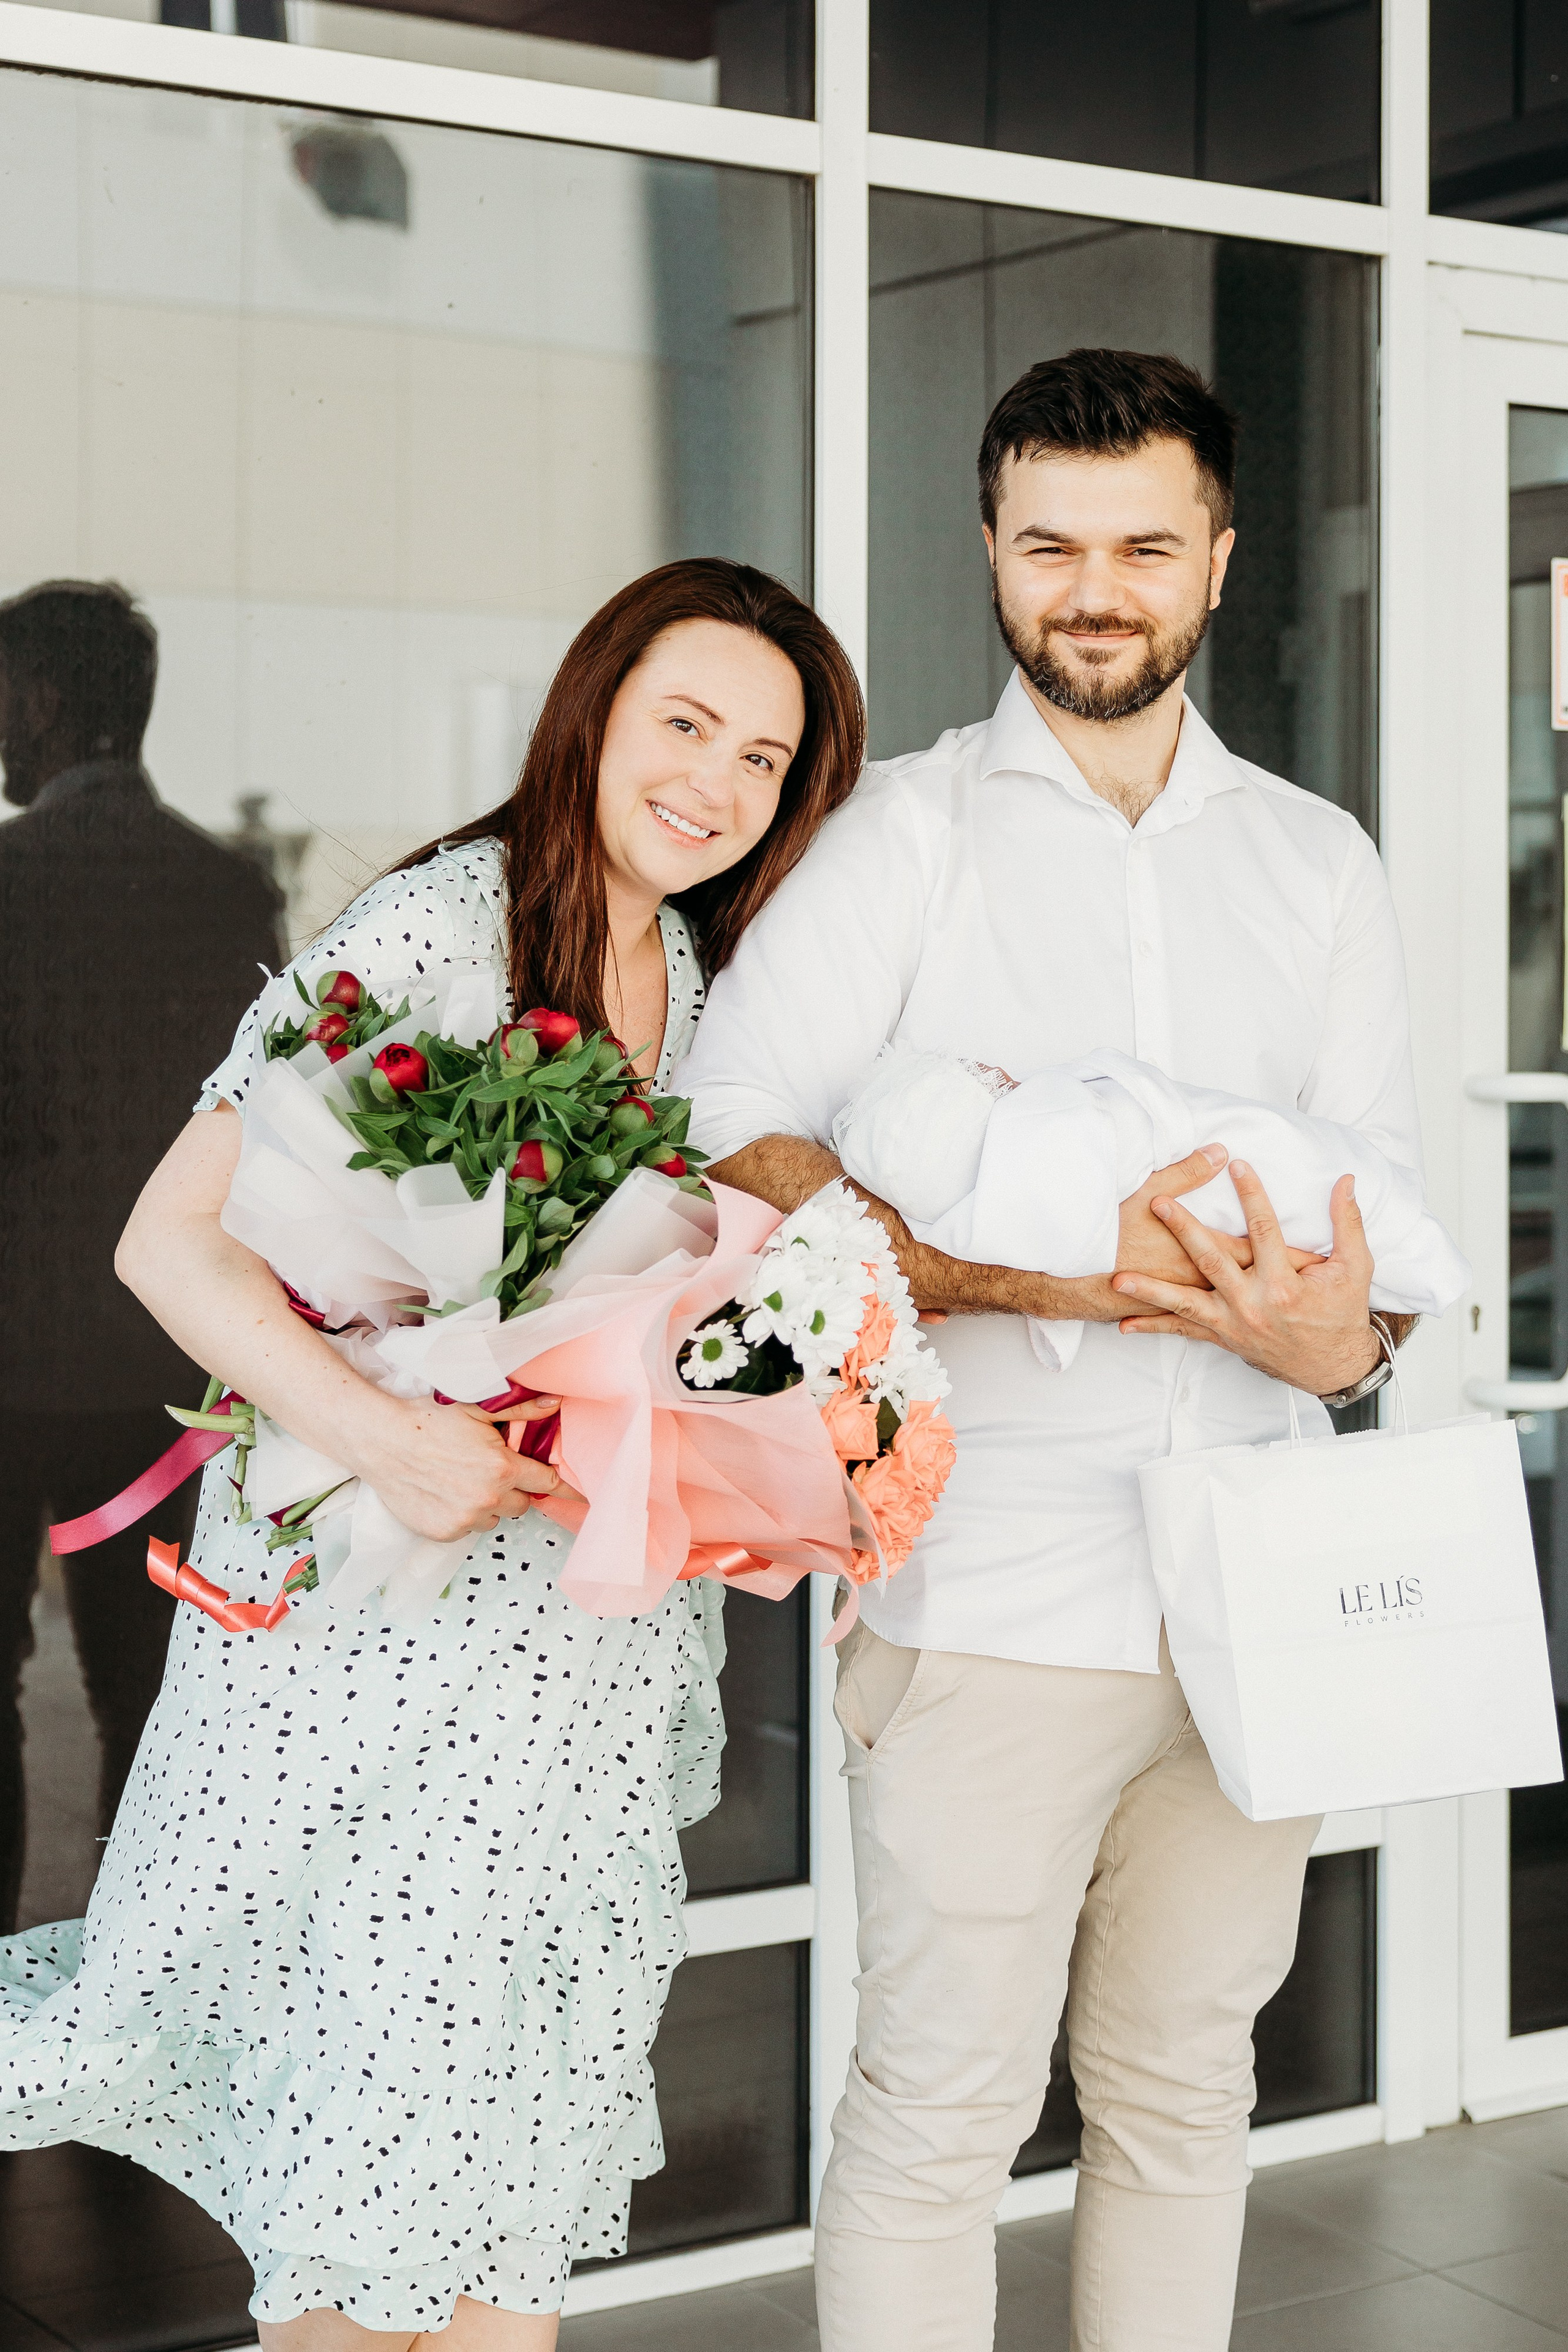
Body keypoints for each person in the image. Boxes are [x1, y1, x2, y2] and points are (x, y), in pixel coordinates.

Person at [680, 350, 1458, 2352]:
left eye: (1139, 544)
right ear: (995, 555)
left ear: (1218, 559)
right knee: (938, 2112)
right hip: (992, 1595)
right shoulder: (903, 840)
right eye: (1050, 544)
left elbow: (1371, 1232)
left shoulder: (1319, 864)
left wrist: (1331, 1332)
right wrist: (1044, 1279)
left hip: (1253, 1608)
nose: (1093, 587)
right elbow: (733, 1133)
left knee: (1192, 2097)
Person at [0, 557, 865, 2350]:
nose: (715, 781)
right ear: (595, 711)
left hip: (571, 1675)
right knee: (363, 2240)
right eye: (686, 724)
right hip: (377, 1663)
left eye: (766, 760)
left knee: (497, 2238)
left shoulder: (703, 984)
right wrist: (395, 1439)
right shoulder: (444, 929)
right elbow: (172, 1240)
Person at [0, 579, 284, 1934]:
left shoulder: (4, 880)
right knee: (148, 1695)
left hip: (7, 1360)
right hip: (169, 1367)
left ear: (44, 702)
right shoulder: (227, 887)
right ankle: (125, 1997)